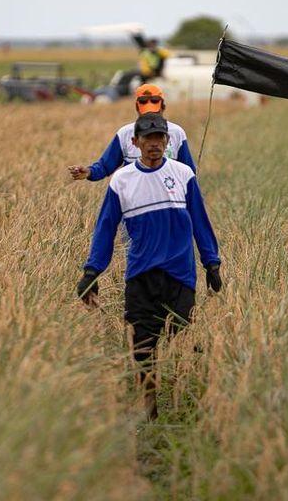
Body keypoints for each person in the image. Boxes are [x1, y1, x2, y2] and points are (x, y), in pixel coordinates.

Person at [75, 112, 222, 420]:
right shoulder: (121, 182)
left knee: (183, 339)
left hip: (180, 275)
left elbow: (200, 221)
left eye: (160, 138)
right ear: (135, 142)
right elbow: (105, 228)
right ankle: (151, 411)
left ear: (168, 141)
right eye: (148, 139)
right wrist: (92, 271)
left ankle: (190, 403)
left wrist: (211, 263)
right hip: (140, 276)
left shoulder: (183, 175)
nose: (154, 144)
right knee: (142, 348)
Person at [68, 84, 195, 182]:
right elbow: (106, 165)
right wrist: (90, 172)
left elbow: (188, 172)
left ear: (163, 107)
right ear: (137, 108)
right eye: (146, 113)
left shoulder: (177, 133)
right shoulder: (125, 134)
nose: (151, 118)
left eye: (154, 112)